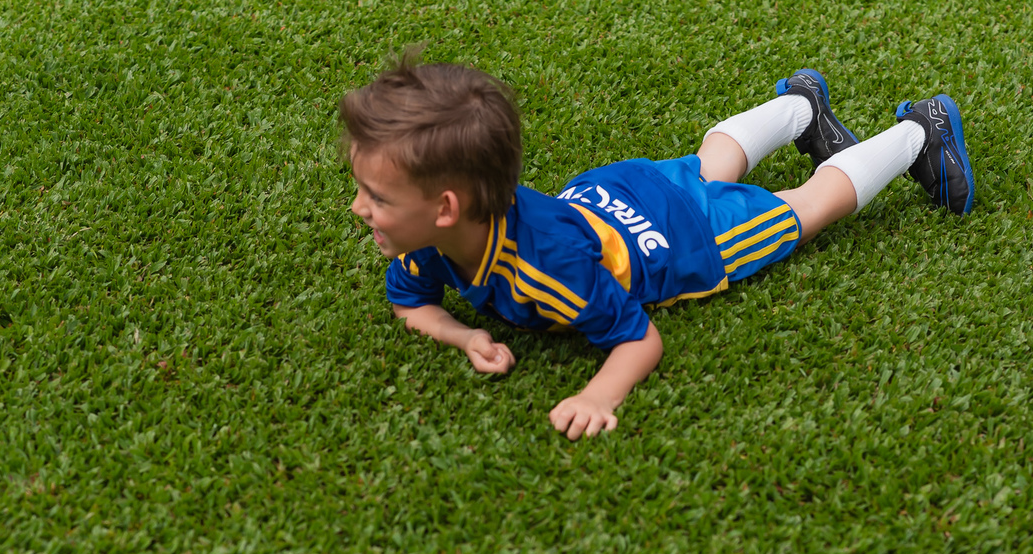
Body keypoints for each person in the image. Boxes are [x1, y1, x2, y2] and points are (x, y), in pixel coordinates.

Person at [340, 59, 974, 440]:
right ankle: (797, 109)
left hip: (679, 242)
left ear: (445, 208)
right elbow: (411, 305)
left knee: (801, 209)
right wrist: (463, 336)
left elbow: (639, 339)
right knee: (705, 165)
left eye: (375, 196)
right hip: (611, 192)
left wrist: (598, 396)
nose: (358, 208)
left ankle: (920, 132)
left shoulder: (544, 273)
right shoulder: (427, 244)